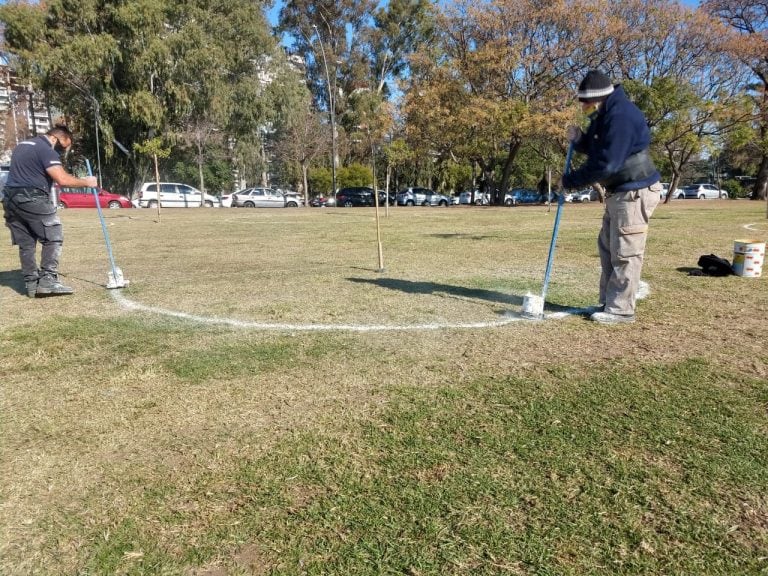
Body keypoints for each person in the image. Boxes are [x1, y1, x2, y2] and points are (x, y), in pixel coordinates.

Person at [559, 70, 662, 324]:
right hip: (620, 192)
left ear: (596, 99)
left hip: (634, 191)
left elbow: (608, 163)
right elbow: (598, 148)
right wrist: (581, 139)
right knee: (608, 246)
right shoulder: (604, 115)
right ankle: (608, 301)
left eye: (584, 102)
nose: (582, 107)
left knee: (626, 250)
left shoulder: (621, 116)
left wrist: (570, 181)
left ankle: (621, 309)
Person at [3, 124, 97, 297]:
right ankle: (48, 281)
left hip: (10, 199)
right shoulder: (46, 150)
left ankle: (31, 285)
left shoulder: (23, 145)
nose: (64, 151)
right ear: (59, 138)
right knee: (53, 236)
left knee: (27, 243)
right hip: (32, 197)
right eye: (66, 146)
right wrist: (87, 182)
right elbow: (62, 179)